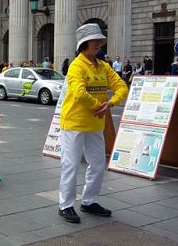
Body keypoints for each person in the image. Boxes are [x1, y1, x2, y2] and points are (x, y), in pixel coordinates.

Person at [58, 23, 128, 224]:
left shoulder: (104, 66)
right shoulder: (76, 66)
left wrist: (111, 103)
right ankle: (65, 205)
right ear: (84, 44)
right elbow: (79, 93)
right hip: (74, 122)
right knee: (70, 165)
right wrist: (100, 105)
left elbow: (122, 86)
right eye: (95, 41)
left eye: (99, 41)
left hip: (96, 123)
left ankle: (88, 201)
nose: (98, 44)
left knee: (97, 164)